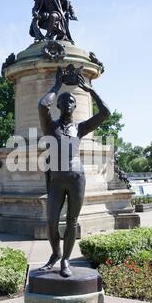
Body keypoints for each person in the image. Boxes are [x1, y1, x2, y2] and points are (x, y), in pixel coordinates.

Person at [38, 66, 110, 277]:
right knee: (51, 222)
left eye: (72, 101)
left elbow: (106, 113)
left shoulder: (80, 128)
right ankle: (55, 254)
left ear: (75, 105)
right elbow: (42, 105)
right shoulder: (51, 127)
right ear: (58, 105)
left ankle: (66, 261)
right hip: (57, 181)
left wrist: (90, 90)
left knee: (72, 222)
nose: (68, 103)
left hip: (77, 178)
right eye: (64, 100)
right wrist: (56, 86)